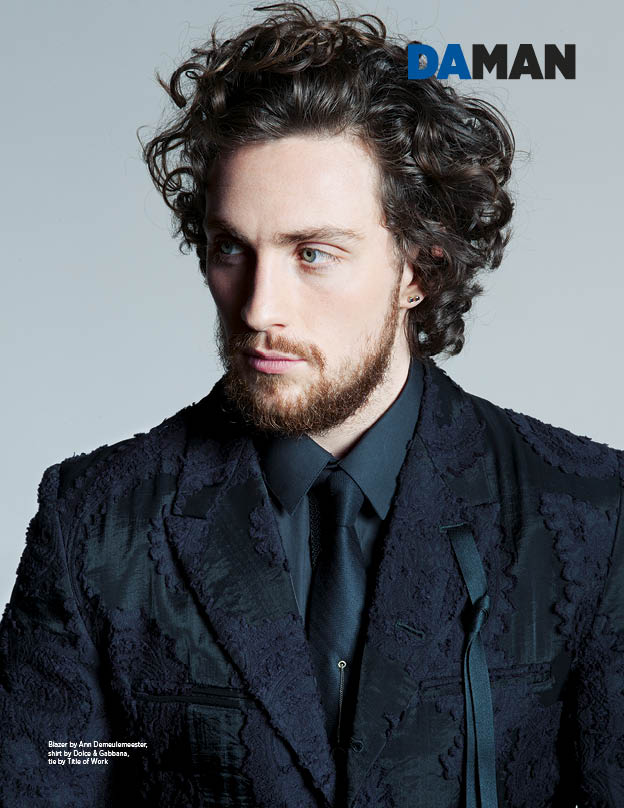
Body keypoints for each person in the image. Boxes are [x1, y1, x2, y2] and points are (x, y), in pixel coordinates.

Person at [1, 3, 622, 806]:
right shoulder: (95, 522)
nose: (260, 307)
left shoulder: (590, 514)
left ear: (418, 268)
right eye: (232, 248)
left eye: (313, 253)